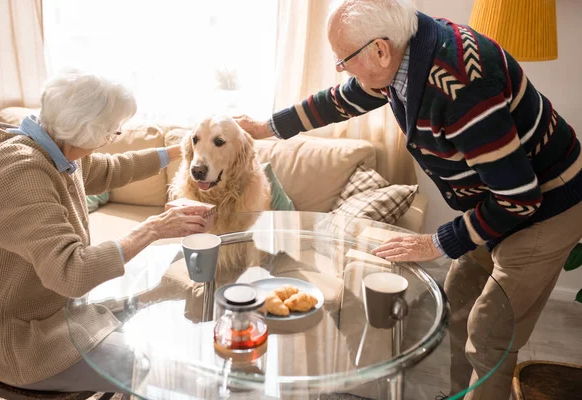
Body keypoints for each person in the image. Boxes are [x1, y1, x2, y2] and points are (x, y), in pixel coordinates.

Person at [235, 0, 582, 399]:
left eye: (341, 59)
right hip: (497, 199)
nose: (341, 67)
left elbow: (519, 200)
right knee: (459, 303)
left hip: (548, 205)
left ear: (380, 49)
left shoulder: (462, 86)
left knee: (490, 332)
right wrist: (268, 127)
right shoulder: (406, 50)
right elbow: (343, 98)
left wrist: (435, 242)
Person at [0, 70, 210, 396]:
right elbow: (71, 272)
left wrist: (181, 150)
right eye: (111, 132)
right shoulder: (20, 171)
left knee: (156, 308)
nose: (110, 140)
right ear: (84, 130)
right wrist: (155, 228)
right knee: (161, 366)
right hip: (23, 344)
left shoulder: (53, 150)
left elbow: (111, 169)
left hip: (60, 317)